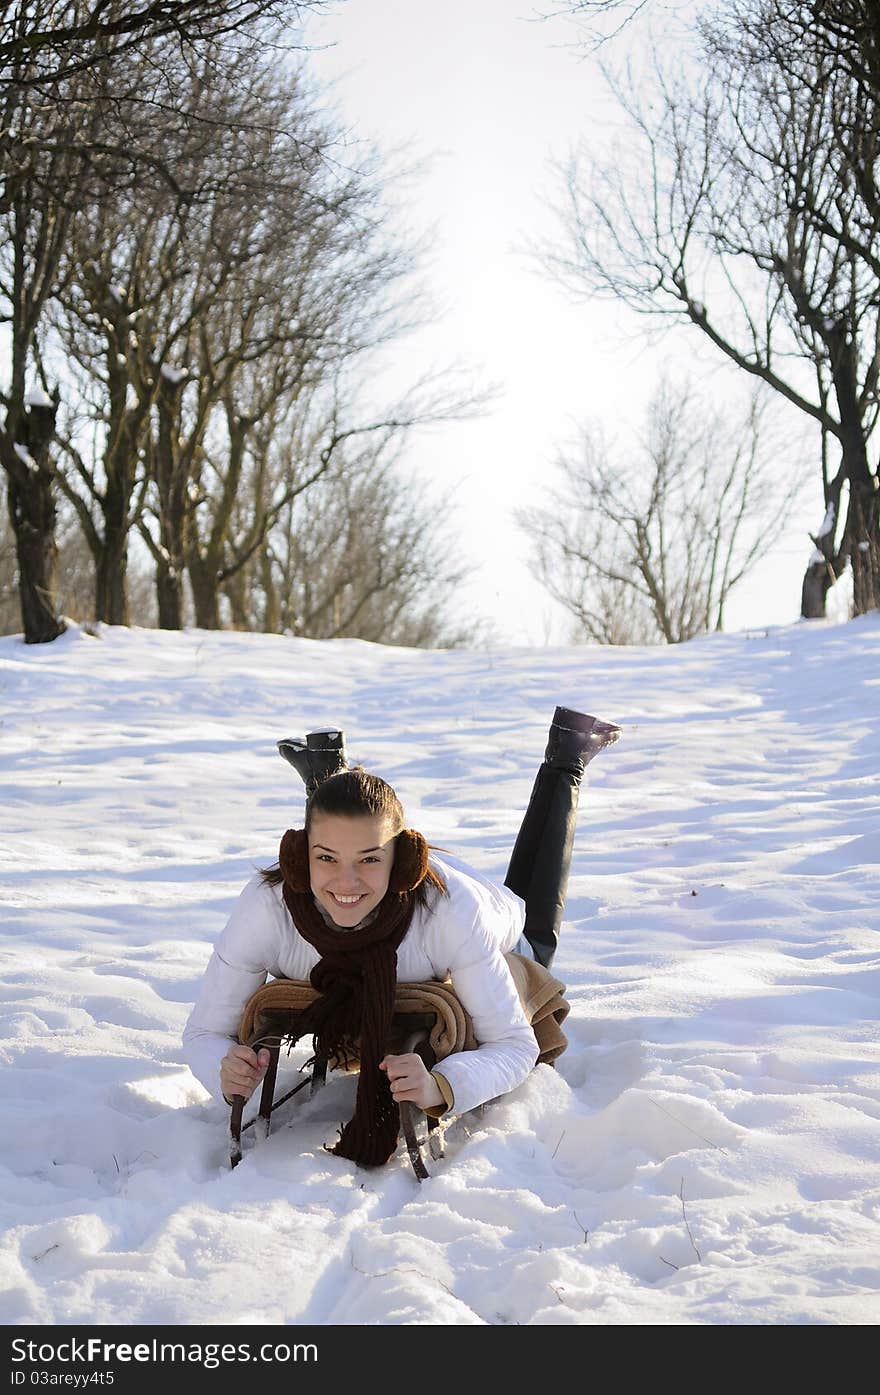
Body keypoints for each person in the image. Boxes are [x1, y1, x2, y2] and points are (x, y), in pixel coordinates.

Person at [181, 706, 620, 1167]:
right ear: (297, 858)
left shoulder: (452, 914)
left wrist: (442, 1085)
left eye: (371, 860)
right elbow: (203, 1033)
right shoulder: (266, 909)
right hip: (380, 867)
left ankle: (566, 760)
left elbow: (513, 1044)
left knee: (535, 941)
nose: (346, 883)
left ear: (403, 862)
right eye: (324, 859)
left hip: (497, 917)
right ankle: (331, 778)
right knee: (346, 841)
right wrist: (222, 1067)